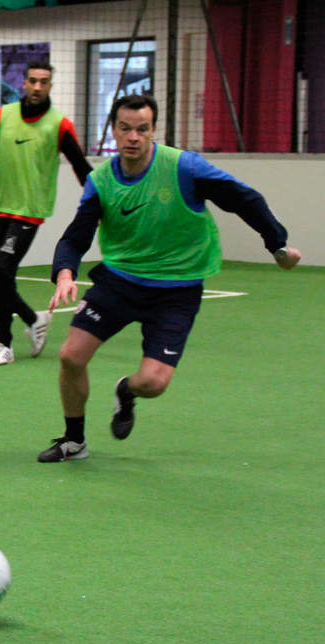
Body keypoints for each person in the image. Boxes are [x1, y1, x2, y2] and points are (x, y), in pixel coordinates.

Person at [37, 94, 300, 462]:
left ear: (153, 131)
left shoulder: (183, 167)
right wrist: (65, 272)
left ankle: (126, 392)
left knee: (153, 384)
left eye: (141, 129)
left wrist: (278, 245)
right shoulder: (101, 180)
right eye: (125, 129)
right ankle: (73, 441)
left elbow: (244, 199)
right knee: (70, 356)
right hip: (120, 280)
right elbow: (76, 235)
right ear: (114, 130)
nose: (133, 137)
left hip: (177, 289)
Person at [0, 61, 92, 365]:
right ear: (24, 84)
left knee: (2, 272)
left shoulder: (59, 125)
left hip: (30, 211)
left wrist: (98, 203)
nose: (36, 87)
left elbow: (81, 166)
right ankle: (33, 319)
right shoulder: (4, 116)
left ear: (49, 86)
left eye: (43, 82)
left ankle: (3, 344)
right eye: (32, 81)